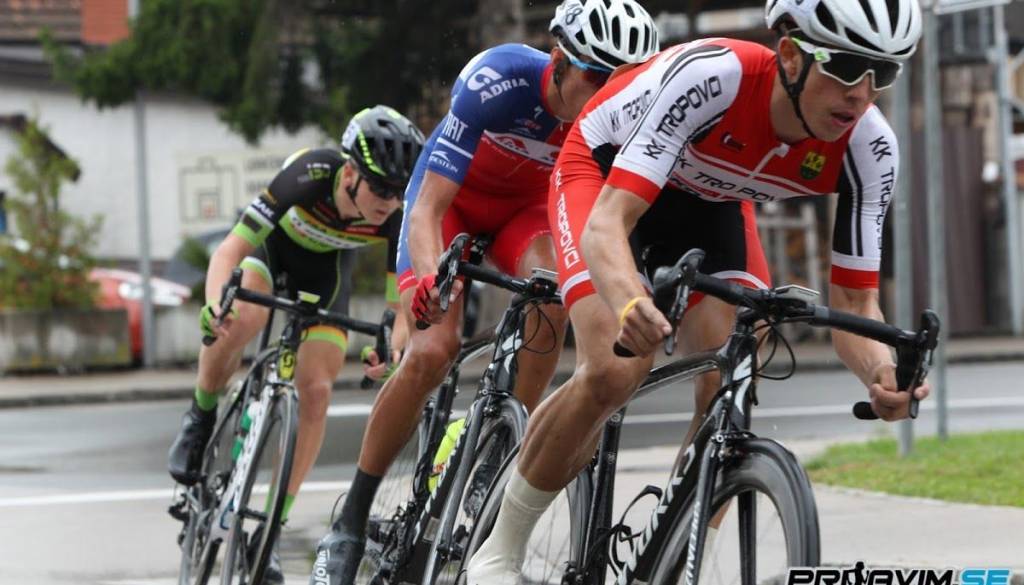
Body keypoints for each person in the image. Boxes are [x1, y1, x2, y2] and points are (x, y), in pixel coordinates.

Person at [467, 0, 931, 582]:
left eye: (882, 72)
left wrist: (881, 374)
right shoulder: (715, 78)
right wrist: (630, 301)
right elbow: (608, 224)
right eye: (843, 67)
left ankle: (680, 561)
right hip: (607, 171)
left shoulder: (872, 147)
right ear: (790, 56)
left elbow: (856, 304)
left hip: (714, 199)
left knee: (732, 373)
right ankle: (498, 550)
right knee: (614, 366)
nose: (861, 93)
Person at [307, 2, 659, 584]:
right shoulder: (500, 80)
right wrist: (428, 281)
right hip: (454, 207)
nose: (608, 93)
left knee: (550, 292)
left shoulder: (615, 117)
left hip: (525, 216)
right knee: (431, 351)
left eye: (621, 81)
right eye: (596, 76)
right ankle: (350, 519)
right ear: (558, 60)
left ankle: (496, 454)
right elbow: (427, 208)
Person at [167, 105, 424, 583]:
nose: (390, 201)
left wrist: (391, 350)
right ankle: (200, 415)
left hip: (324, 274)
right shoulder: (308, 175)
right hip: (271, 253)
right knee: (242, 316)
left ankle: (269, 533)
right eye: (381, 188)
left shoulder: (395, 218)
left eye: (399, 191)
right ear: (351, 173)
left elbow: (400, 307)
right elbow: (230, 249)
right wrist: (214, 302)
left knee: (318, 391)